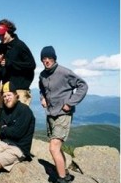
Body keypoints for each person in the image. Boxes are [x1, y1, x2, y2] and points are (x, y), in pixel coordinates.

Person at [39, 46, 88, 183]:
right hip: (50, 114)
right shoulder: (42, 75)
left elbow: (83, 86)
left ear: (54, 58)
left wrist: (71, 103)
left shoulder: (64, 72)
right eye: (44, 58)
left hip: (63, 114)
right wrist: (42, 98)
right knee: (57, 147)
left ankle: (62, 179)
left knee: (53, 147)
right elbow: (41, 88)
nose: (47, 61)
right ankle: (65, 172)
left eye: (49, 58)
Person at [0, 19, 36, 106]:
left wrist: (10, 63)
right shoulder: (1, 47)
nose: (1, 37)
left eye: (3, 34)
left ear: (9, 31)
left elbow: (31, 64)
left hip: (20, 91)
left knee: (21, 118)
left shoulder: (20, 45)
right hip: (6, 91)